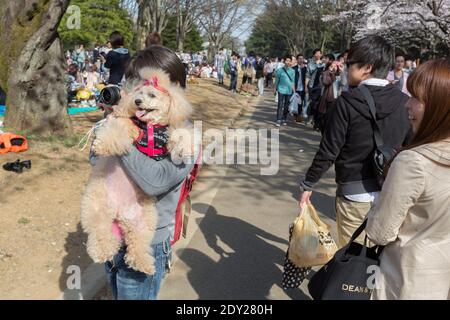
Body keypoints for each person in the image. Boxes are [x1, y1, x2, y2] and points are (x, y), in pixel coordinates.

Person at [99, 45, 198, 300]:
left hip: (149, 242)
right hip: (111, 235)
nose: (140, 94)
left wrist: (119, 138)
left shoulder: (184, 136)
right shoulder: (126, 118)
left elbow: (155, 181)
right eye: (136, 83)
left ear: (174, 86)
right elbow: (94, 159)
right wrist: (114, 120)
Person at [298, 36, 411, 247]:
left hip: (353, 193)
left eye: (350, 64)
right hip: (391, 194)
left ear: (367, 67)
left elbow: (329, 150)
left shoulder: (346, 103)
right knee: (381, 260)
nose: (345, 69)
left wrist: (309, 183)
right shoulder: (405, 104)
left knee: (352, 261)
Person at [366, 58, 450, 300]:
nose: (407, 105)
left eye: (416, 99)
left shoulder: (413, 162)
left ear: (438, 107)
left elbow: (380, 233)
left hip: (406, 281)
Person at [316, 60, 340, 133]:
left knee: (331, 117)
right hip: (326, 98)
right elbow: (326, 82)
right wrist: (330, 73)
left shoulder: (339, 75)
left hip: (336, 98)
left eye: (335, 66)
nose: (333, 68)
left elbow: (344, 84)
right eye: (331, 66)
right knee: (324, 116)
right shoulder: (325, 74)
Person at [305, 49, 326, 129]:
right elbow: (307, 76)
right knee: (312, 102)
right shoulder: (310, 64)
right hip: (311, 86)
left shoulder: (323, 64)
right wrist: (305, 86)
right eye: (316, 53)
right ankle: (310, 117)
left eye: (319, 53)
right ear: (313, 55)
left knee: (318, 103)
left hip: (320, 86)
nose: (318, 54)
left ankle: (315, 120)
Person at [274, 55, 295, 127]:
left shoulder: (292, 71)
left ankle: (284, 118)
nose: (288, 62)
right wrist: (275, 89)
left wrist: (294, 91)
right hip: (281, 89)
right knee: (280, 104)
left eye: (289, 61)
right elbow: (277, 80)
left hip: (289, 91)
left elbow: (293, 82)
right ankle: (278, 119)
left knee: (286, 105)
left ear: (291, 62)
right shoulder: (279, 70)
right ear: (284, 61)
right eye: (286, 60)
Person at [292, 53, 307, 122]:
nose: (301, 60)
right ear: (297, 60)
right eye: (299, 58)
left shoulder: (306, 69)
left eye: (302, 58)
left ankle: (299, 115)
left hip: (302, 88)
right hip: (295, 88)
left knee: (301, 102)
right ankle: (296, 116)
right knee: (295, 102)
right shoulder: (293, 69)